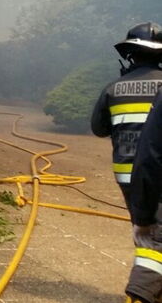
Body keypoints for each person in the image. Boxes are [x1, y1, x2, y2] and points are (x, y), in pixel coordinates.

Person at [90, 22, 162, 303]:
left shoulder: (113, 89)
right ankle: (143, 292)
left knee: (146, 230)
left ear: (130, 55)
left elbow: (99, 128)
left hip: (127, 176)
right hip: (159, 174)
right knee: (154, 238)